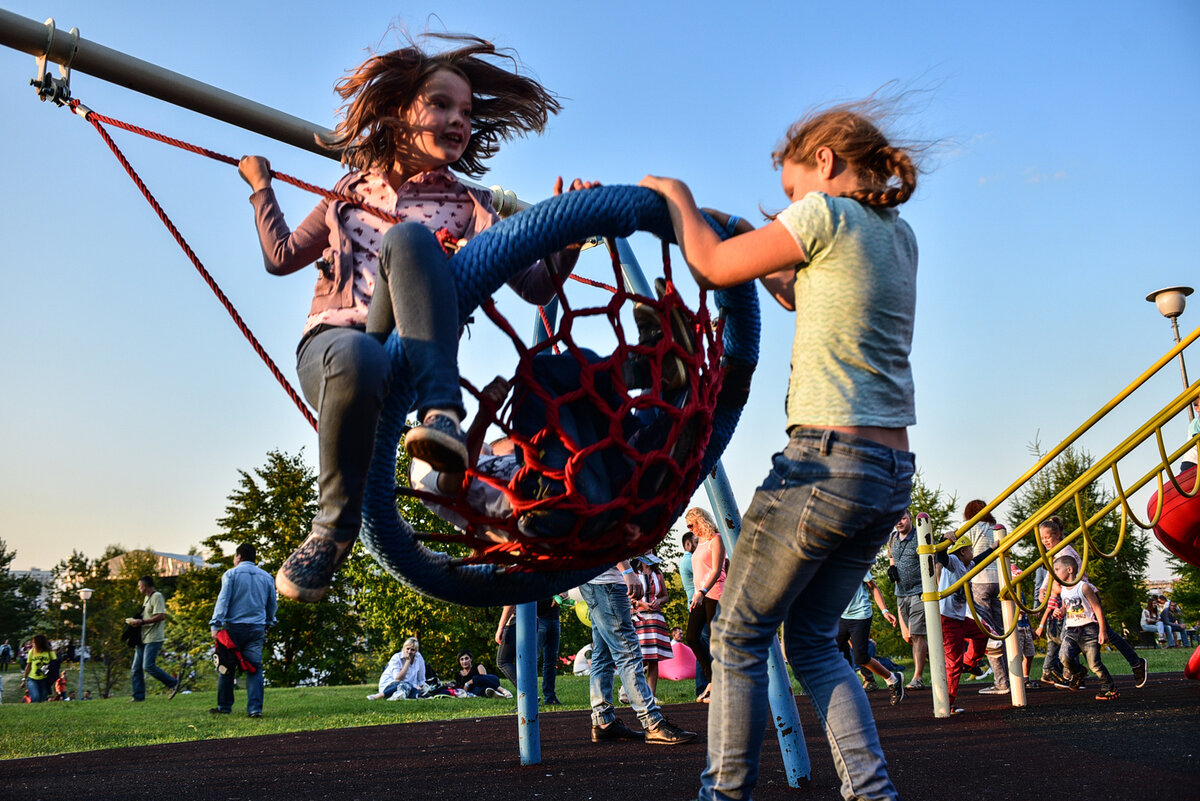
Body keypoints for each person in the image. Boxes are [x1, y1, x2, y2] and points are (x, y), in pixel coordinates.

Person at [239, 33, 591, 603]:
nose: (459, 121)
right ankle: (332, 529)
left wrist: (566, 239)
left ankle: (442, 417)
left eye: (468, 113)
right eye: (442, 105)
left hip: (411, 360)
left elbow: (536, 287)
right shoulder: (349, 190)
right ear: (403, 113)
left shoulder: (471, 205)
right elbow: (281, 257)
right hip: (335, 345)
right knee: (356, 354)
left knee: (409, 240)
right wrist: (261, 188)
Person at [642, 99, 919, 800]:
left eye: (792, 192)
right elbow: (800, 293)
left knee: (735, 634)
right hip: (889, 473)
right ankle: (873, 792)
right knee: (815, 640)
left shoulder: (823, 216)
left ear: (824, 163)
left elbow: (709, 266)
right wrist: (756, 243)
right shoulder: (897, 233)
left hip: (825, 461)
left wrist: (678, 197)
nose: (791, 207)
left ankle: (724, 793)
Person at [579, 559, 697, 745]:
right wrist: (626, 570)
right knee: (628, 652)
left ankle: (603, 721)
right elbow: (608, 533)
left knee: (603, 654)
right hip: (606, 582)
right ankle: (652, 722)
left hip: (593, 579)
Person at [1033, 516, 1147, 688]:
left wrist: (1050, 591)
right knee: (1071, 637)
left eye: (1047, 537)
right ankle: (1074, 672)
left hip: (1083, 596)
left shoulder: (1066, 552)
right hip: (1070, 597)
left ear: (1057, 535)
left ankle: (1136, 663)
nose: (1044, 541)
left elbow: (1062, 574)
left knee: (1105, 633)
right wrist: (1044, 590)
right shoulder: (1055, 553)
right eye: (1042, 539)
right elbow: (1051, 573)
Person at [209, 543, 277, 717]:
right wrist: (269, 622)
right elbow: (271, 604)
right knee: (254, 667)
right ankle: (255, 709)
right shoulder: (267, 577)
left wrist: (215, 624)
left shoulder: (231, 575)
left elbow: (223, 600)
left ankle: (225, 707)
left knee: (226, 665)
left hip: (233, 628)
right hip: (257, 628)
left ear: (238, 557)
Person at [1055, 554, 1120, 700]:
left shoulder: (1083, 587)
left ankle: (1109, 687)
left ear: (1070, 570)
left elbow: (1097, 608)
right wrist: (1060, 610)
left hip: (1088, 629)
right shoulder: (1064, 589)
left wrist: (1102, 631)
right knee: (1063, 656)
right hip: (1071, 630)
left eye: (1058, 569)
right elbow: (1066, 606)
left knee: (1094, 664)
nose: (1055, 573)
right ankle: (1078, 672)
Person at [961, 500, 1009, 696]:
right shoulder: (995, 528)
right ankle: (1014, 677)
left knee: (988, 632)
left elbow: (964, 554)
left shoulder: (971, 527)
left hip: (980, 580)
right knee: (1002, 631)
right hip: (999, 580)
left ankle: (1001, 682)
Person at [837, 569, 905, 705]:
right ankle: (849, 688)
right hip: (840, 615)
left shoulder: (857, 562)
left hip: (860, 615)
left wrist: (885, 611)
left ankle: (893, 679)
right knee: (834, 649)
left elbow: (873, 586)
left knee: (860, 657)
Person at [684, 507, 725, 703]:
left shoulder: (716, 539)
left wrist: (702, 592)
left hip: (715, 593)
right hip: (700, 595)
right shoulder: (699, 542)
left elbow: (717, 571)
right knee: (691, 636)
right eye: (688, 527)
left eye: (692, 525)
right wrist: (696, 594)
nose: (691, 530)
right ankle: (711, 680)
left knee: (716, 641)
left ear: (701, 520)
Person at [886, 509, 928, 690]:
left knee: (918, 634)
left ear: (910, 518)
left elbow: (934, 560)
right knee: (908, 637)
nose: (900, 522)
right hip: (901, 593)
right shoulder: (893, 538)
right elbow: (891, 557)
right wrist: (892, 568)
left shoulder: (921, 536)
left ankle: (917, 677)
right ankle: (937, 657)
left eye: (903, 518)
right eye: (897, 519)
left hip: (919, 592)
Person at [129, 575, 180, 702]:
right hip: (143, 637)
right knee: (136, 668)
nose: (139, 588)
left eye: (140, 586)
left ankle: (173, 683)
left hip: (153, 637)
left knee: (148, 666)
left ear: (145, 586)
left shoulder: (157, 596)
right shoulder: (147, 598)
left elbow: (161, 616)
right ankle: (138, 697)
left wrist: (142, 621)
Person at [630, 554, 673, 701]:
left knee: (654, 658)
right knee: (638, 657)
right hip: (639, 617)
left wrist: (659, 600)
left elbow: (665, 596)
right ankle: (631, 691)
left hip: (656, 617)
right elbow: (627, 595)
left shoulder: (658, 573)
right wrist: (642, 604)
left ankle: (651, 696)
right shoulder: (633, 572)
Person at [677, 530, 708, 700]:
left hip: (700, 605)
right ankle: (702, 688)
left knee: (705, 645)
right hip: (697, 606)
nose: (700, 544)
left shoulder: (690, 560)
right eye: (697, 541)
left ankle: (706, 687)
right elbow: (705, 576)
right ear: (688, 544)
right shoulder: (690, 560)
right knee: (703, 646)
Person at [21, 634, 55, 703]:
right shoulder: (32, 651)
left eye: (34, 642)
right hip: (32, 679)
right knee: (35, 697)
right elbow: (28, 665)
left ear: (40, 643)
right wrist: (24, 679)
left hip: (45, 680)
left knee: (42, 699)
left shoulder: (50, 652)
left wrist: (49, 665)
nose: (32, 644)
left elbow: (56, 663)